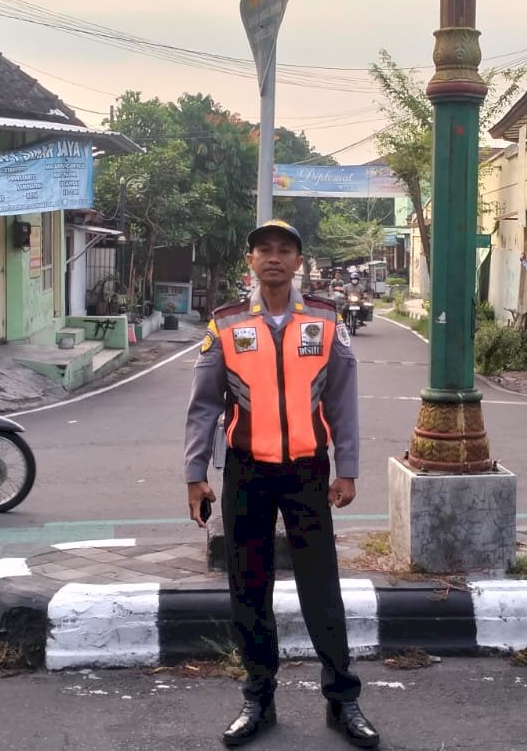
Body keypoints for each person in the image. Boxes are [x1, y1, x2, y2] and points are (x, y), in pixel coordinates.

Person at [184, 219, 379, 749]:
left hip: (307, 472)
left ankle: (342, 699)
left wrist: (347, 468)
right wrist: (195, 474)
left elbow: (342, 400)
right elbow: (204, 405)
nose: (274, 257)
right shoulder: (226, 323)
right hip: (246, 472)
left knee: (322, 588)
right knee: (249, 588)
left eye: (284, 250)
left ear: (298, 262)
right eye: (264, 249)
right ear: (251, 261)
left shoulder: (325, 319)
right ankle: (258, 698)